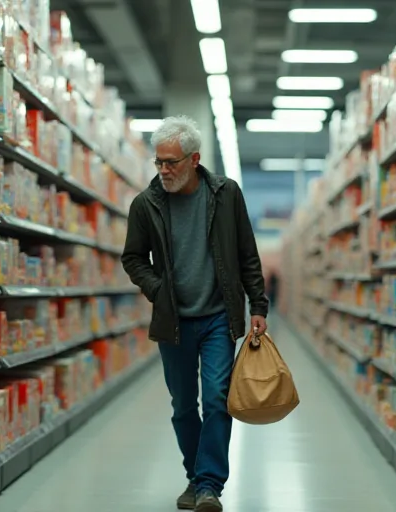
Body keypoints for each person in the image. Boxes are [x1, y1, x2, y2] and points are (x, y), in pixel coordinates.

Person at [121, 116, 268, 512]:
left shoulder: (226, 194)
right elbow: (133, 258)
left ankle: (208, 486)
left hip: (219, 316)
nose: (164, 170)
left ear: (194, 159)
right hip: (174, 321)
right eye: (159, 162)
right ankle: (195, 475)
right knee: (184, 405)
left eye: (172, 162)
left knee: (217, 398)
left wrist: (258, 304)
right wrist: (157, 289)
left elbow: (247, 253)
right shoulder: (146, 204)